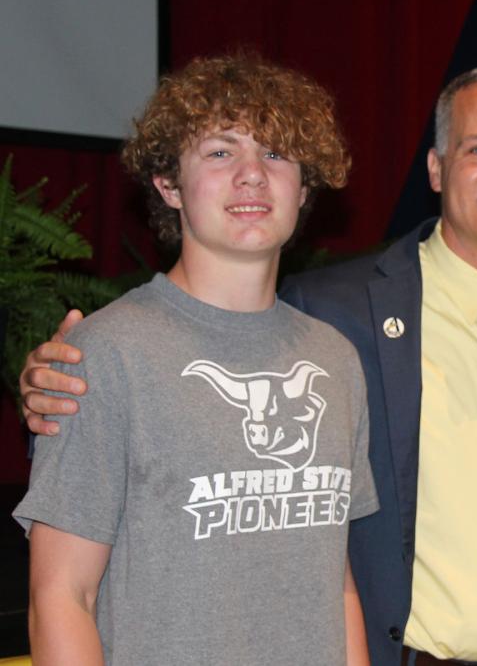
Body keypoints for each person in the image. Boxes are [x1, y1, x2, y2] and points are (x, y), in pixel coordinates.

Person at [20, 62, 477, 665]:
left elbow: (337, 583)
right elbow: (62, 591)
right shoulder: (343, 312)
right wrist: (57, 380)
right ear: (437, 168)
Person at [13, 54, 378, 664]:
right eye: (220, 152)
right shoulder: (105, 355)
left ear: (305, 187)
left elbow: (334, 584)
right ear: (169, 185)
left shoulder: (333, 360)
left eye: (277, 154)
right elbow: (60, 596)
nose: (253, 176)